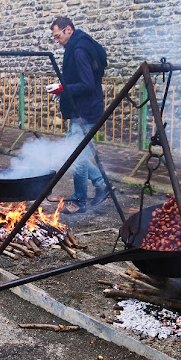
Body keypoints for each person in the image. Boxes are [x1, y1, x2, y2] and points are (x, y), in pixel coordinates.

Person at [47, 16, 109, 214]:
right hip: (82, 109)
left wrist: (62, 88)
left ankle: (79, 201)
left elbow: (87, 84)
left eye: (58, 36)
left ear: (68, 30)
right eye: (54, 38)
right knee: (71, 152)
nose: (57, 41)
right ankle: (101, 183)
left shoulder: (79, 50)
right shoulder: (78, 45)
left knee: (77, 158)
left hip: (86, 111)